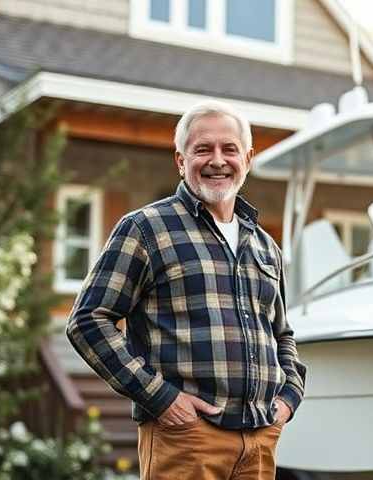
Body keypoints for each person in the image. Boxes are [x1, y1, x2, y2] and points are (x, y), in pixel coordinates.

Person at [66, 100, 306, 480]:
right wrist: (161, 399)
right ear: (181, 161)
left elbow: (281, 333)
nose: (217, 160)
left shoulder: (264, 244)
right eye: (202, 149)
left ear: (247, 158)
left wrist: (289, 397)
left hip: (260, 440)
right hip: (187, 438)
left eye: (229, 149)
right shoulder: (146, 229)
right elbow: (88, 322)